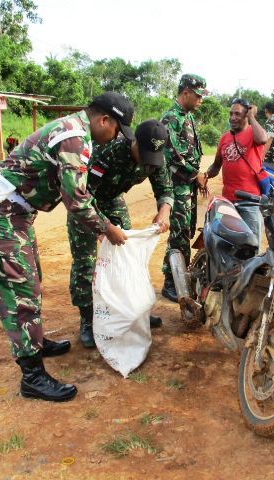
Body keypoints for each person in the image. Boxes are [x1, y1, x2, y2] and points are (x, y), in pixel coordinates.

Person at [0, 92, 134, 402]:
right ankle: (32, 377)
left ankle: (37, 341)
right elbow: (76, 199)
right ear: (104, 120)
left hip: (14, 213)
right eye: (116, 131)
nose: (115, 138)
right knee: (20, 289)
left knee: (33, 279)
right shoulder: (75, 138)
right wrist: (107, 229)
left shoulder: (74, 129)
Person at [67, 120, 173, 347]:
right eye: (142, 154)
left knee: (127, 258)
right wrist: (102, 228)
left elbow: (165, 189)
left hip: (113, 200)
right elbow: (84, 195)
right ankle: (87, 320)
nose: (147, 162)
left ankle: (130, 313)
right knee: (85, 263)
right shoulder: (108, 153)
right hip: (86, 204)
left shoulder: (155, 156)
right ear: (134, 142)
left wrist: (164, 212)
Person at [160, 74, 209, 303]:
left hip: (186, 186)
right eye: (198, 95)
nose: (201, 100)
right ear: (186, 93)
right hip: (176, 185)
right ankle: (171, 283)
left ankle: (180, 280)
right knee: (178, 235)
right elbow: (171, 156)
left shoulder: (187, 117)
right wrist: (195, 174)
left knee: (185, 232)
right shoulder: (172, 117)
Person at [205, 98, 270, 246]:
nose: (233, 118)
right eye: (231, 114)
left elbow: (262, 139)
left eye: (238, 114)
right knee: (227, 245)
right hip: (228, 201)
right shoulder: (224, 138)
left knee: (251, 247)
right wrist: (206, 175)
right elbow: (216, 166)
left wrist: (252, 115)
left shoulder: (254, 134)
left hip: (250, 202)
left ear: (246, 115)